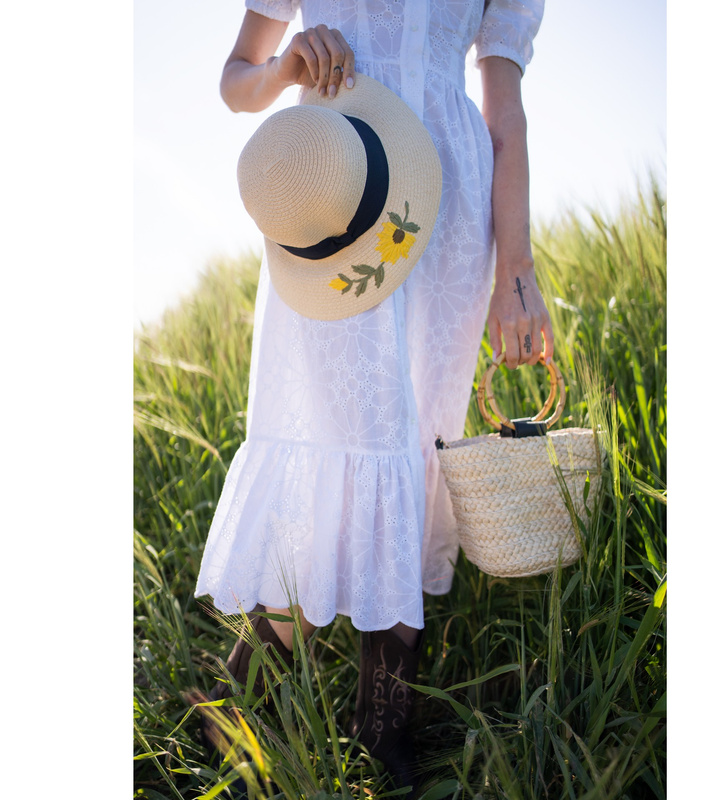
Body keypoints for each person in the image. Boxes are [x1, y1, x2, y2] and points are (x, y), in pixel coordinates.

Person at [193, 0, 553, 792]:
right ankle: (227, 713)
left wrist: (516, 273)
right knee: (333, 435)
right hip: (337, 185)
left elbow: (505, 118)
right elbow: (236, 83)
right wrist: (288, 65)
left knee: (419, 443)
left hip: (453, 199)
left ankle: (382, 729)